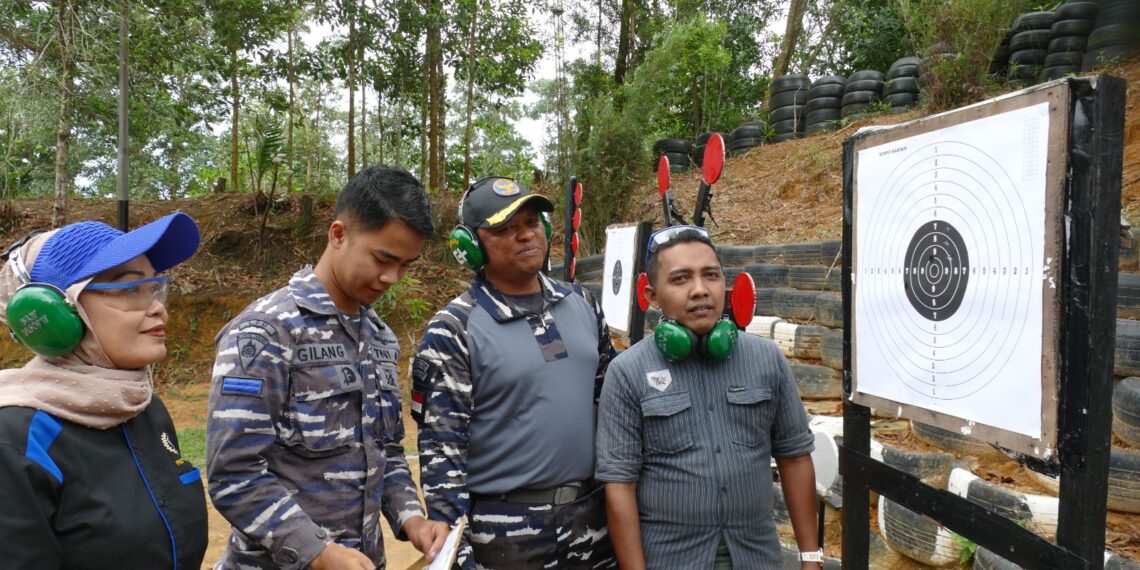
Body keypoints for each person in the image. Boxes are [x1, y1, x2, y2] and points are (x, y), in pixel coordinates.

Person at [206, 165, 450, 570]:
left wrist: (413, 520)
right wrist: (316, 552)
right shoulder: (268, 331)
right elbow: (233, 473)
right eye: (383, 258)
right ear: (338, 235)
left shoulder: (380, 338)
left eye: (406, 265)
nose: (392, 277)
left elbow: (386, 452)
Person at [411, 176, 618, 569]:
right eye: (505, 228)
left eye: (532, 222)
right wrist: (459, 556)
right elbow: (442, 454)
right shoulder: (454, 329)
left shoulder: (582, 303)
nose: (525, 235)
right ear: (470, 246)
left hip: (593, 522)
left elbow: (610, 407)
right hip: (504, 534)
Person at [595, 225, 822, 570]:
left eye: (711, 275)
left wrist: (810, 558)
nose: (700, 289)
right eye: (681, 279)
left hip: (758, 559)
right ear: (652, 295)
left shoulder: (767, 359)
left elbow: (794, 457)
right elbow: (620, 486)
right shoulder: (627, 372)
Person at [0, 212, 208, 569]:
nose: (158, 309)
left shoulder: (146, 409)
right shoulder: (17, 440)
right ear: (56, 314)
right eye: (129, 289)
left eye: (154, 288)